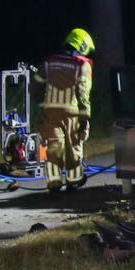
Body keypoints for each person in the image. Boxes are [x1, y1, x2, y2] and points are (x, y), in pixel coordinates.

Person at [39, 28, 95, 191]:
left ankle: (53, 185)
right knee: (74, 148)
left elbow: (35, 87)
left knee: (53, 150)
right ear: (82, 46)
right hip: (72, 113)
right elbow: (83, 96)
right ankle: (74, 181)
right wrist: (85, 121)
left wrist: (42, 102)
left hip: (50, 113)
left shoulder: (49, 62)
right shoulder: (82, 65)